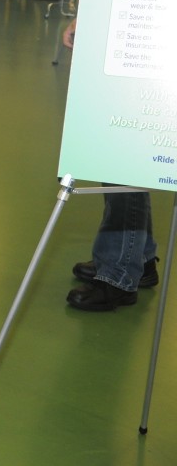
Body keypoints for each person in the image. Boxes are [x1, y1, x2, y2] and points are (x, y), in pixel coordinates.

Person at [60, 19, 160, 311]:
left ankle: (119, 274)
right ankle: (137, 258)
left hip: (148, 30)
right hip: (136, 27)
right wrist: (86, 17)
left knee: (121, 152)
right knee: (122, 150)